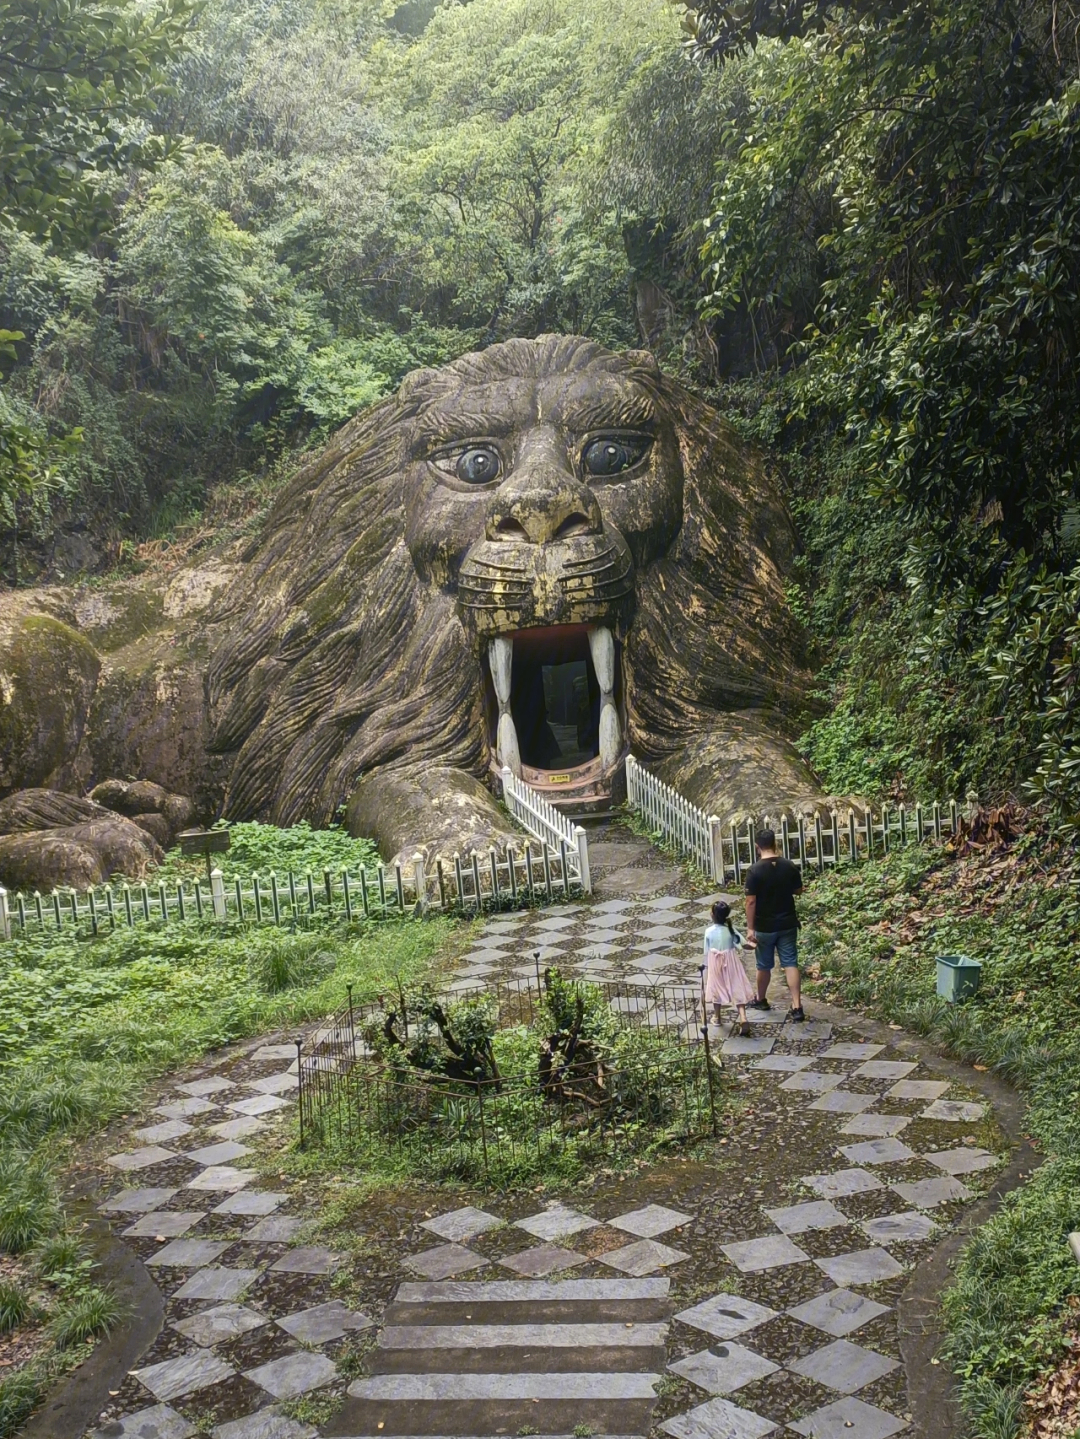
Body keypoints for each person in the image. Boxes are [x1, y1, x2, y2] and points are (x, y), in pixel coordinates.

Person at [744, 827, 805, 1021]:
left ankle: (761, 998)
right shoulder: (788, 865)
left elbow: (750, 901)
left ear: (757, 846)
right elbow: (799, 890)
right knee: (790, 962)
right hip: (787, 923)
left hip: (765, 926)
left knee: (764, 965)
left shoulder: (754, 871)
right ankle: (797, 1006)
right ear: (775, 842)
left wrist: (750, 927)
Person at [703, 899, 756, 1036]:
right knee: (737, 985)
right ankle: (743, 1018)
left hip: (715, 962)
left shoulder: (708, 932)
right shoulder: (731, 930)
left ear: (713, 915)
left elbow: (706, 950)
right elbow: (745, 945)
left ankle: (717, 1017)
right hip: (731, 961)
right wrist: (756, 945)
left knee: (716, 987)